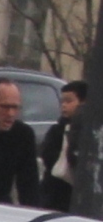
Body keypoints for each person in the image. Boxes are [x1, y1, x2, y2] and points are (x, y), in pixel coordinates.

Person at [40, 79, 86, 209]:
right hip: (54, 194)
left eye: (69, 101)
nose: (64, 105)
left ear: (83, 102)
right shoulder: (57, 129)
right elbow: (48, 155)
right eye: (62, 101)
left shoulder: (87, 131)